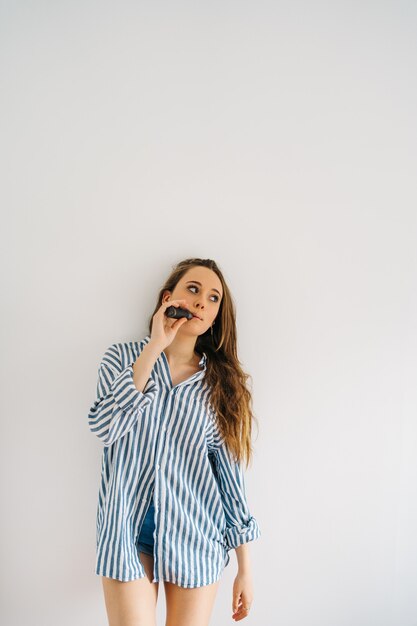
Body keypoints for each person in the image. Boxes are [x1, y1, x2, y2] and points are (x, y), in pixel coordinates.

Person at [88, 257, 261, 626]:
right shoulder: (121, 359)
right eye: (193, 290)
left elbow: (229, 478)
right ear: (169, 298)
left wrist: (245, 568)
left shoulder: (220, 386)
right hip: (125, 530)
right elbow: (105, 427)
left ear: (215, 317)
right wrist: (154, 347)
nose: (202, 302)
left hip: (195, 534)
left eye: (213, 298)